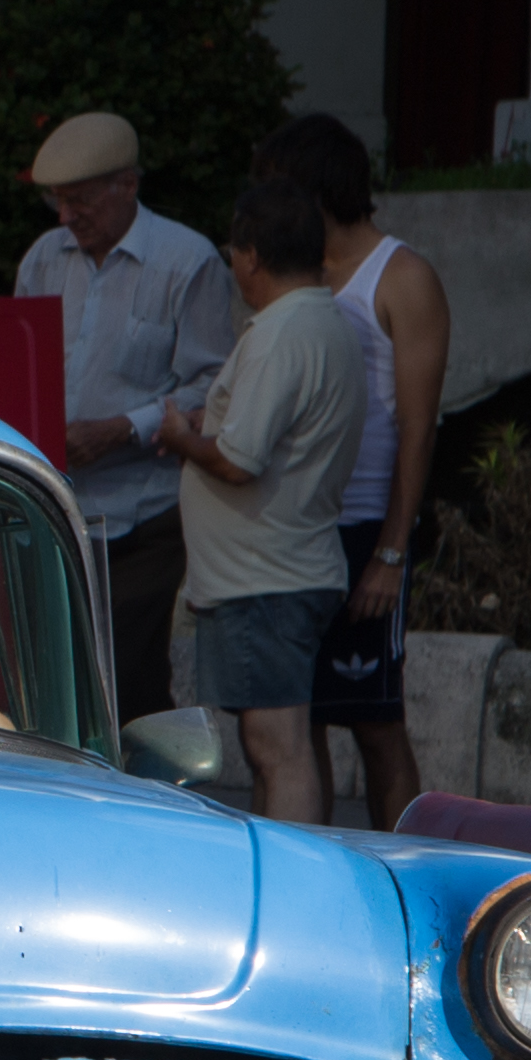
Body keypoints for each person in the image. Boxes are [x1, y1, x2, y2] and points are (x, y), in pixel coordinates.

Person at [13, 110, 236, 723]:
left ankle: (149, 807)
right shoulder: (42, 259)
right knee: (50, 690)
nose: (66, 218)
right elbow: (20, 363)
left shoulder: (187, 262)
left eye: (80, 201)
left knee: (132, 688)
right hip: (56, 507)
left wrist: (122, 428)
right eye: (58, 202)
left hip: (142, 516)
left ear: (127, 186)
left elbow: (215, 383)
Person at [267, 114, 455, 829]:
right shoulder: (297, 270)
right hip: (294, 524)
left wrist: (391, 552)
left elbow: (418, 426)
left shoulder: (401, 276)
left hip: (365, 521)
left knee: (375, 719)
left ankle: (405, 862)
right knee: (295, 718)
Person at [170, 170, 365, 825]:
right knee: (276, 748)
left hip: (267, 578)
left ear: (250, 255)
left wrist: (179, 434)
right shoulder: (324, 321)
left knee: (276, 748)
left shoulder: (282, 332)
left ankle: (294, 886)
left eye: (233, 254)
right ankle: (277, 871)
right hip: (276, 569)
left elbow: (236, 461)